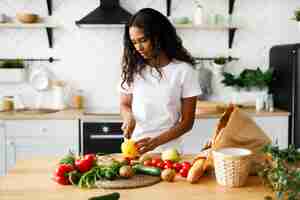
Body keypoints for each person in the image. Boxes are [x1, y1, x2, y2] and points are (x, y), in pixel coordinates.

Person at [119, 8, 202, 155]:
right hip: (134, 149)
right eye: (134, 42)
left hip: (168, 152)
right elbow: (125, 104)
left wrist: (155, 142)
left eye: (143, 40)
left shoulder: (183, 70)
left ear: (159, 36)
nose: (138, 48)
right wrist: (128, 116)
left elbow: (187, 122)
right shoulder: (133, 67)